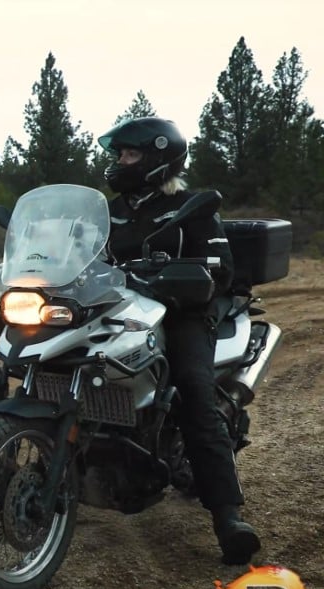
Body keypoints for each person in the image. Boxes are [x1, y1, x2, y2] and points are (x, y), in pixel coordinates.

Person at [98, 116, 260, 565]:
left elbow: (221, 267)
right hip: (122, 310)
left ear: (156, 159)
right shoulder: (109, 210)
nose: (119, 162)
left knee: (192, 391)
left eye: (129, 154)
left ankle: (227, 517)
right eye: (119, 154)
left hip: (183, 313)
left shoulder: (193, 206)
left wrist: (183, 273)